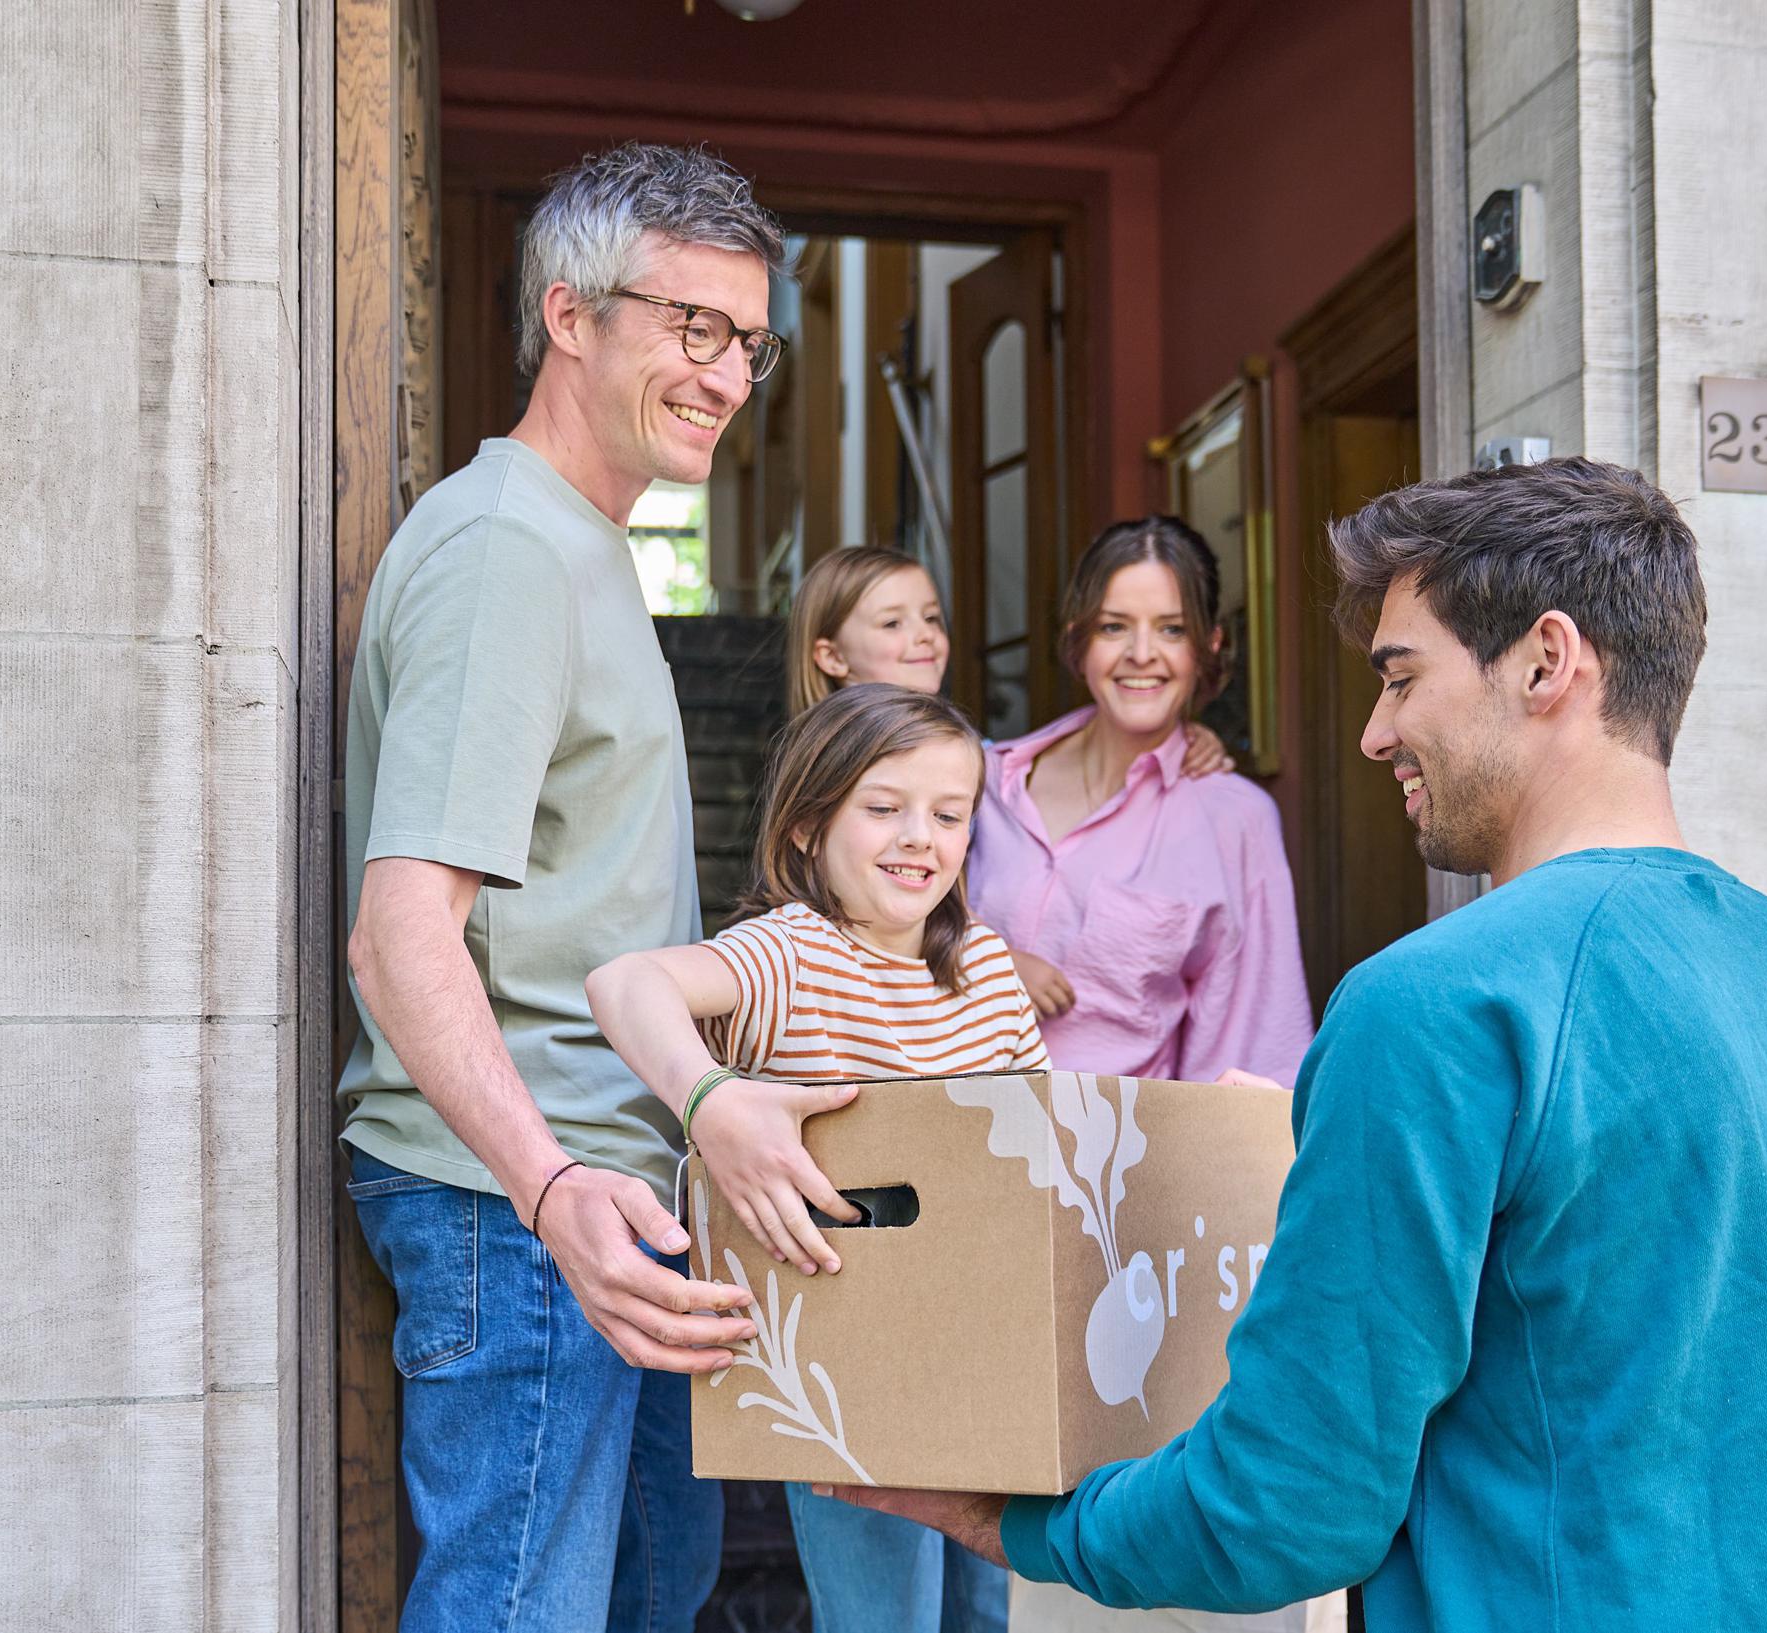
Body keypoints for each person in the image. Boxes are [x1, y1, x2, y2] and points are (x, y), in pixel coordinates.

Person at [828, 458, 1767, 1633]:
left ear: (1547, 662)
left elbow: (1288, 1504)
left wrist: (1006, 1518)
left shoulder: (1435, 1003)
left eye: (1400, 677)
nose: (1374, 731)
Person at [336, 142, 788, 1632]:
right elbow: (400, 935)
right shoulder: (505, 551)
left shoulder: (587, 545)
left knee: (656, 1600)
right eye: (692, 327)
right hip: (528, 1214)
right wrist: (553, 1193)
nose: (727, 374)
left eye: (750, 339)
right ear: (570, 316)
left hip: (611, 1201)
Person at [587, 683, 1050, 1633]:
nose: (919, 835)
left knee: (985, 1615)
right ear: (806, 829)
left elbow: (1050, 1147)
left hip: (983, 1357)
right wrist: (708, 1096)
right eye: (883, 808)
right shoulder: (788, 955)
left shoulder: (990, 970)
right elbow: (623, 981)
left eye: (949, 814)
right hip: (846, 1373)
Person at [965, 518, 1313, 1087]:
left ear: (1210, 646)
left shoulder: (1234, 817)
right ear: (1080, 638)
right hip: (948, 1134)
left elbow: (1250, 1043)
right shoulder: (982, 784)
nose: (1142, 654)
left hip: (1117, 1162)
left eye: (1172, 630)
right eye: (1114, 627)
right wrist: (985, 960)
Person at [784, 542, 1238, 771]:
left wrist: (1178, 737)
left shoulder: (964, 748)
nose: (924, 637)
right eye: (892, 624)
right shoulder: (832, 762)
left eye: (932, 619)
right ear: (831, 657)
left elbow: (1024, 767)